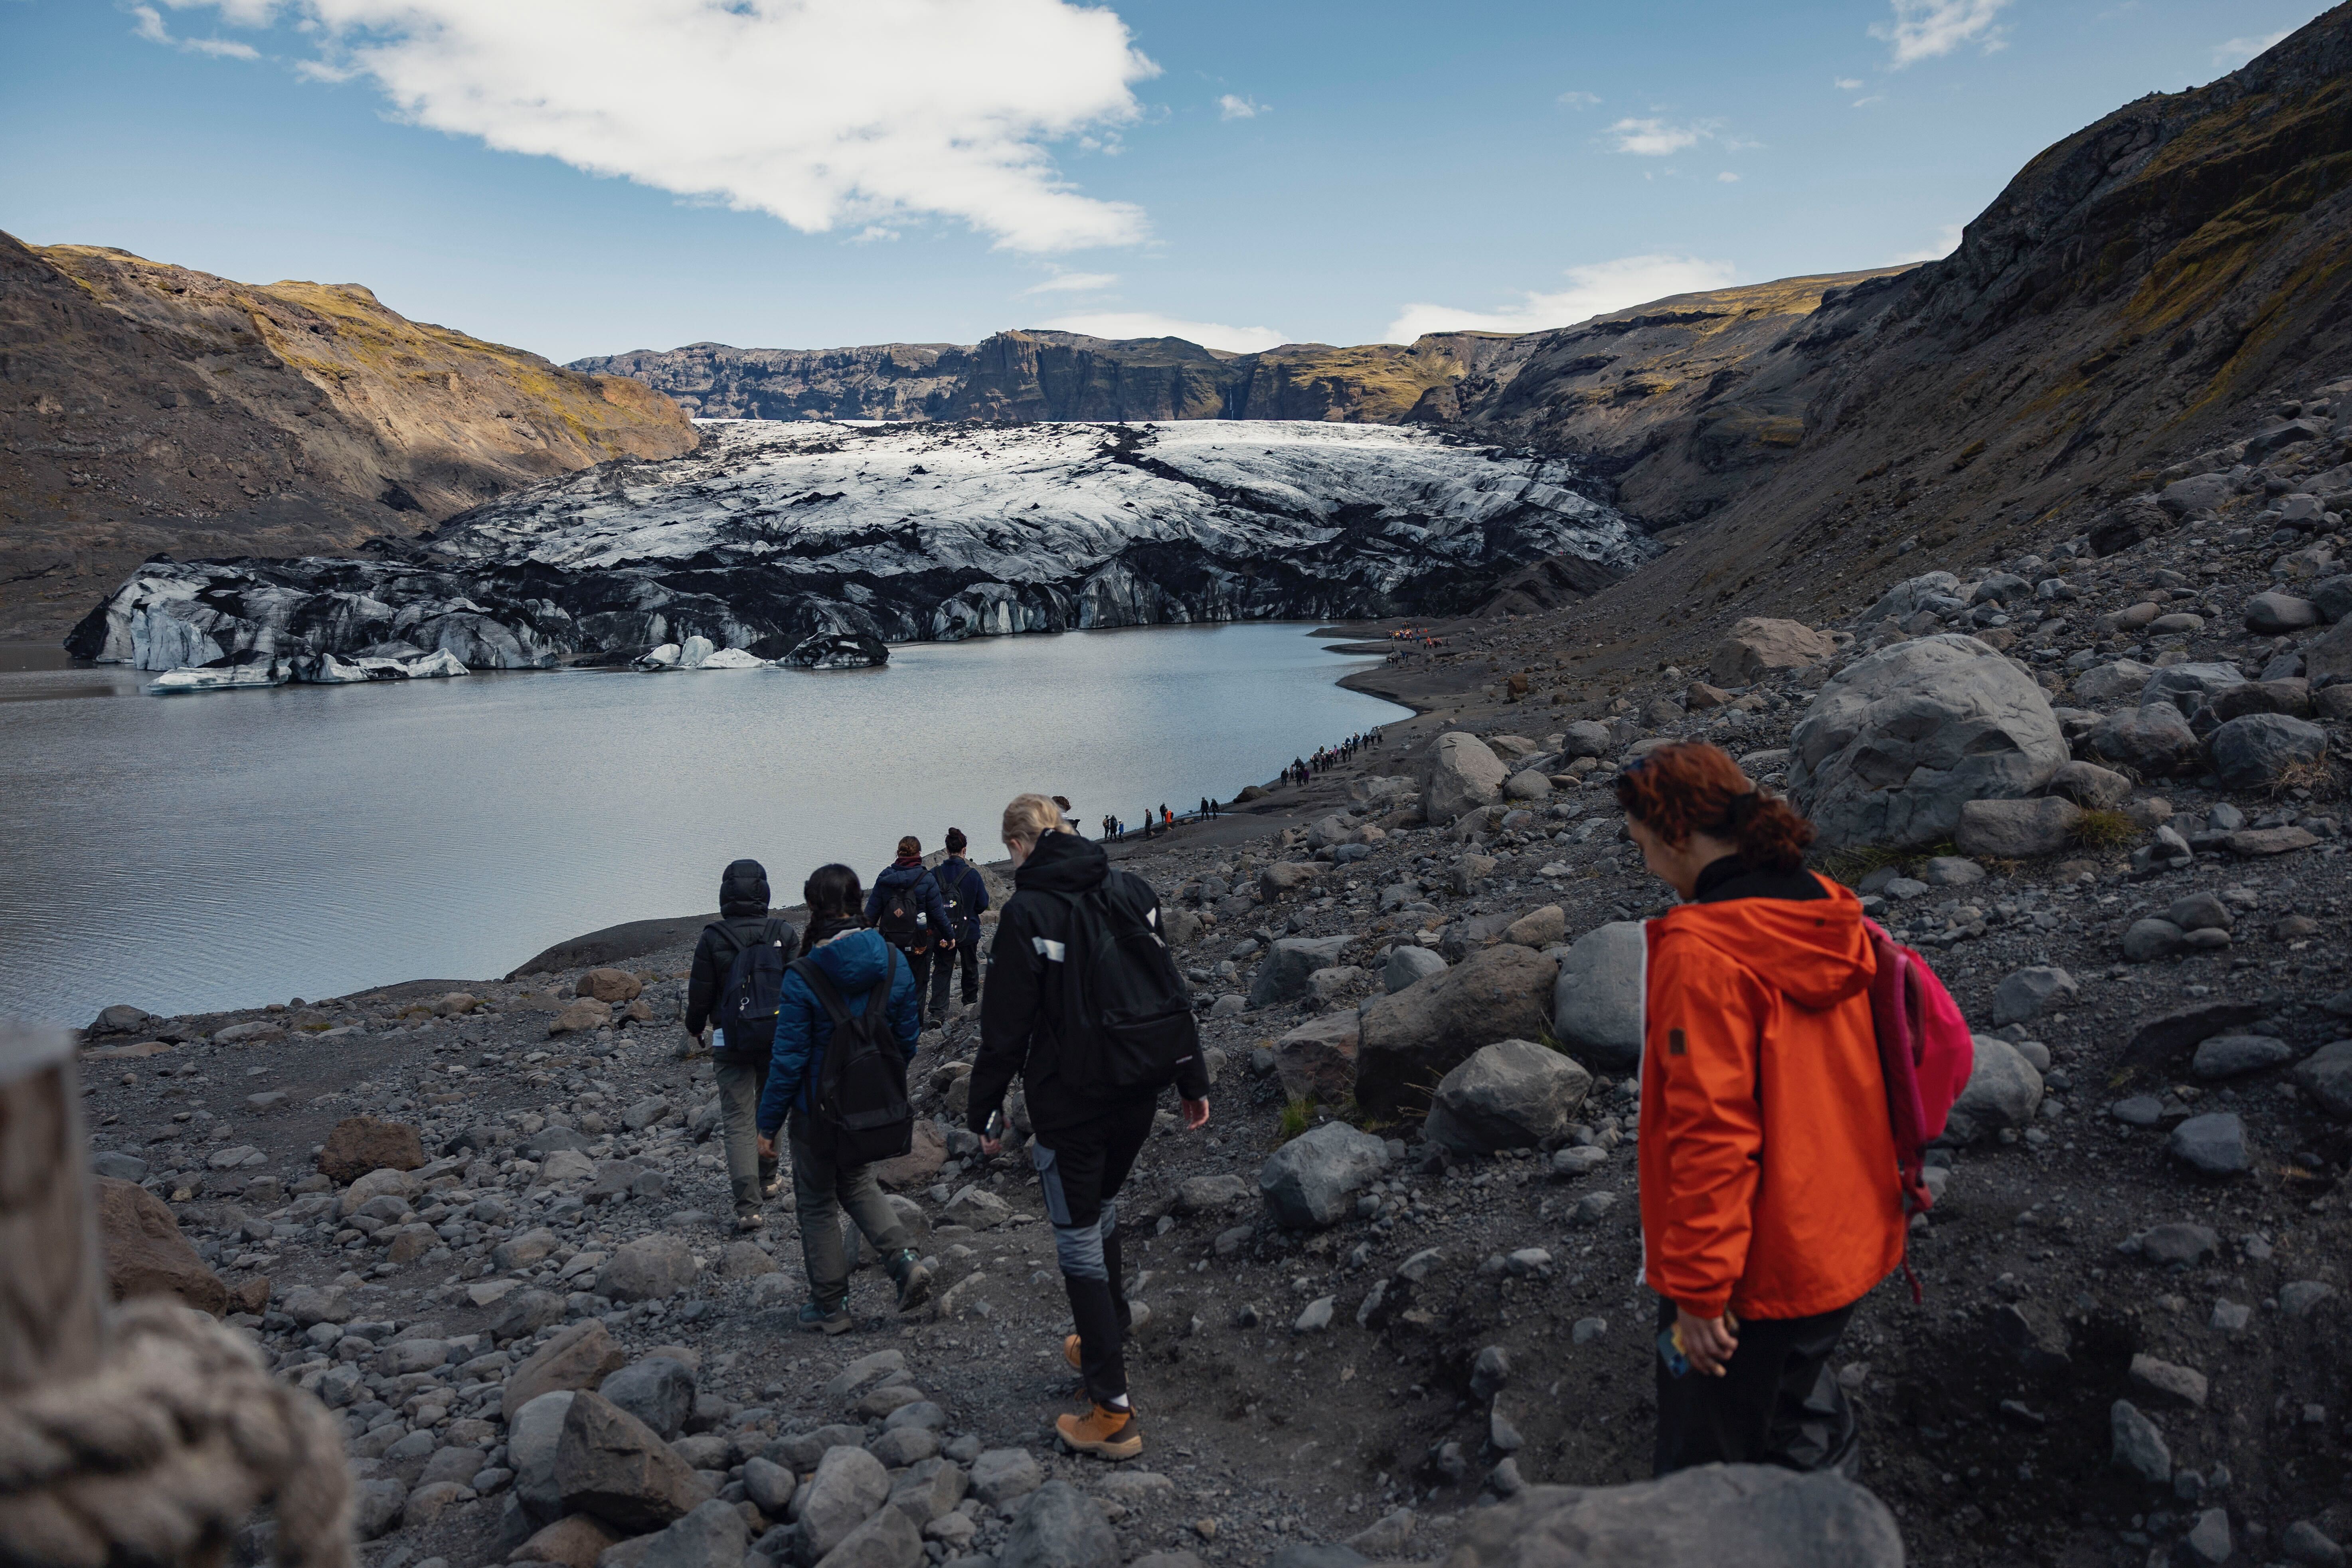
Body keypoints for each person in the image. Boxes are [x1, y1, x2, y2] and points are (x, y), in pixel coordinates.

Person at [1615, 742, 1902, 1479]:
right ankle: (1835, 1512)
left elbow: (1712, 1134)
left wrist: (1699, 1291)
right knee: (1791, 1397)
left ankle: (1776, 1525)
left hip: (1756, 1267)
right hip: (1840, 1226)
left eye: (1642, 846)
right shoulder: (1820, 907)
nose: (1646, 866)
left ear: (1677, 835)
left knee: (1704, 1452)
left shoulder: (1704, 952)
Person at [968, 793, 1211, 1461]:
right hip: (1139, 1086)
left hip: (1071, 1099)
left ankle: (1111, 1412)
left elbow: (1004, 1030)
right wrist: (1191, 1079)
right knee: (1101, 1207)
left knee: (1077, 1240)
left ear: (1018, 846)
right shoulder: (1130, 888)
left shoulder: (1026, 912)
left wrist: (984, 1110)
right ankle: (1110, 1328)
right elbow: (1169, 985)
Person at [756, 864, 933, 1332]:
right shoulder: (893, 961)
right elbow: (907, 1038)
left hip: (814, 1112)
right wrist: (879, 1082)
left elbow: (788, 1061)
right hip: (869, 1104)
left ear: (813, 907)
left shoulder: (802, 975)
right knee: (856, 1183)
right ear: (859, 901)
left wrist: (767, 1124)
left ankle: (830, 1305)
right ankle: (904, 1262)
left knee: (817, 1201)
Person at [682, 858, 800, 1230]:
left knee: (737, 1118)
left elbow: (700, 995)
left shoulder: (712, 938)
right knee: (771, 1106)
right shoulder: (784, 932)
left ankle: (748, 1208)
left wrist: (695, 1028)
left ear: (726, 894)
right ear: (764, 892)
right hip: (778, 1034)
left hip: (729, 1038)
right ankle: (768, 1180)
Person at [866, 835, 955, 1031]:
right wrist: (949, 936)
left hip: (889, 943)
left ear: (898, 853)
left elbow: (871, 914)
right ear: (919, 854)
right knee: (918, 985)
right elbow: (938, 914)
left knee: (890, 983)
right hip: (920, 943)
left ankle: (889, 1027)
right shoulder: (927, 879)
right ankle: (913, 1029)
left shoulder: (885, 878)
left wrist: (861, 938)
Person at [928, 827, 989, 1025]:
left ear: (947, 850)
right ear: (965, 850)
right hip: (968, 930)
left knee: (942, 968)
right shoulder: (973, 875)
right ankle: (969, 1005)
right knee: (970, 967)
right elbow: (982, 904)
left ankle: (938, 1013)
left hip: (943, 931)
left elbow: (929, 903)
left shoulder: (935, 874)